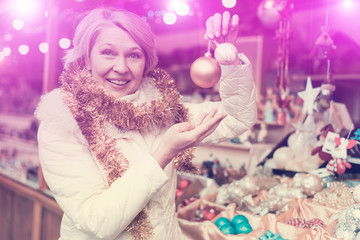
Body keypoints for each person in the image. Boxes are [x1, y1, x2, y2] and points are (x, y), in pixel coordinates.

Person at [35, 7, 256, 240]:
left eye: (133, 55)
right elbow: (97, 222)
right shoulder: (63, 124)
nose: (121, 67)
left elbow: (236, 118)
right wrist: (164, 152)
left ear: (146, 62)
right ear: (87, 59)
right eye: (108, 53)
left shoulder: (160, 109)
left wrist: (229, 62)